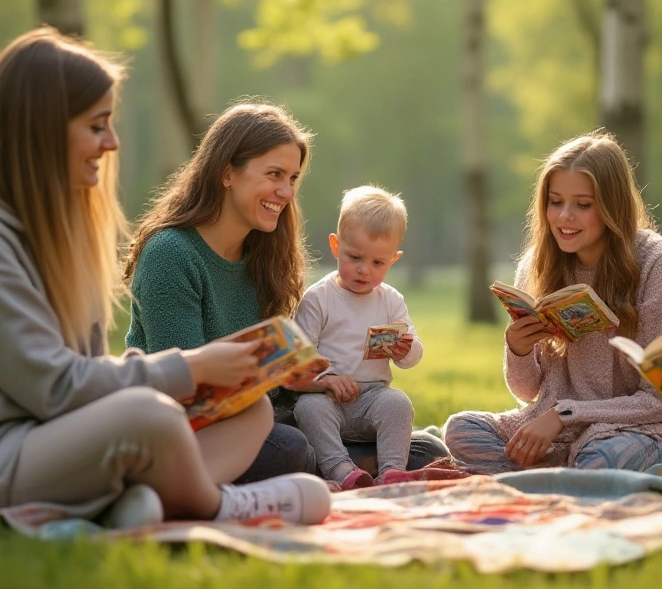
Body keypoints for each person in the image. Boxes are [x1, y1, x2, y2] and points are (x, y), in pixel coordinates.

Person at [0, 28, 329, 527]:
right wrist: (193, 367)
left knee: (252, 415)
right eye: (97, 125)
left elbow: (73, 373)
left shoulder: (36, 235)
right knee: (153, 418)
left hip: (42, 441)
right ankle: (218, 507)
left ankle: (140, 504)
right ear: (42, 126)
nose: (112, 142)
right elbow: (56, 387)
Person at [123, 105, 449, 481]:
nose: (287, 191)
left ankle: (344, 469)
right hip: (193, 428)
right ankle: (339, 468)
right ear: (227, 172)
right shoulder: (171, 254)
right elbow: (183, 385)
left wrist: (315, 382)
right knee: (290, 449)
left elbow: (282, 376)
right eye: (275, 174)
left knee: (428, 449)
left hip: (274, 413)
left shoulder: (263, 256)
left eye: (292, 178)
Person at [443, 131, 662, 473]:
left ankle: (562, 472)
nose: (565, 216)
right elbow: (526, 393)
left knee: (601, 459)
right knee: (461, 431)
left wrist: (565, 415)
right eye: (555, 202)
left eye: (583, 204)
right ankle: (568, 472)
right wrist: (518, 349)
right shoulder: (537, 264)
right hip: (556, 430)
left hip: (638, 430)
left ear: (613, 206)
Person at [290, 186, 424, 490]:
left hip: (372, 398)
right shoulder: (319, 299)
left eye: (378, 263)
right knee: (308, 408)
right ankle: (340, 469)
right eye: (355, 257)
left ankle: (392, 472)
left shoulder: (390, 300)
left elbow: (413, 357)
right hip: (327, 398)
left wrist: (405, 350)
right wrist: (327, 380)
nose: (364, 270)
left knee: (398, 403)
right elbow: (296, 366)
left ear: (393, 260)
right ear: (336, 246)